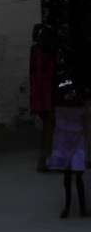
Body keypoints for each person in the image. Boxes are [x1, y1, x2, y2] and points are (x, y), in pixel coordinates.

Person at [47, 79, 88, 217]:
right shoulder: (77, 106)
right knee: (76, 177)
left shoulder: (60, 108)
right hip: (72, 141)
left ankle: (69, 208)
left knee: (69, 177)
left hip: (67, 141)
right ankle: (78, 209)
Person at [32, 25, 61, 171]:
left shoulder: (36, 51)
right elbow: (50, 77)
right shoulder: (48, 53)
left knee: (47, 129)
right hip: (47, 94)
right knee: (51, 128)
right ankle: (48, 161)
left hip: (40, 94)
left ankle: (44, 161)